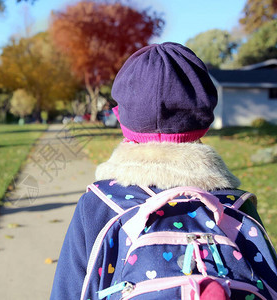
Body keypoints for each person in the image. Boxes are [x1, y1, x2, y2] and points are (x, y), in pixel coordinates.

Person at [50, 42, 263, 299]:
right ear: (204, 121)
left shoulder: (98, 204)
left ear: (124, 121)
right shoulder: (236, 206)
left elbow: (68, 290)